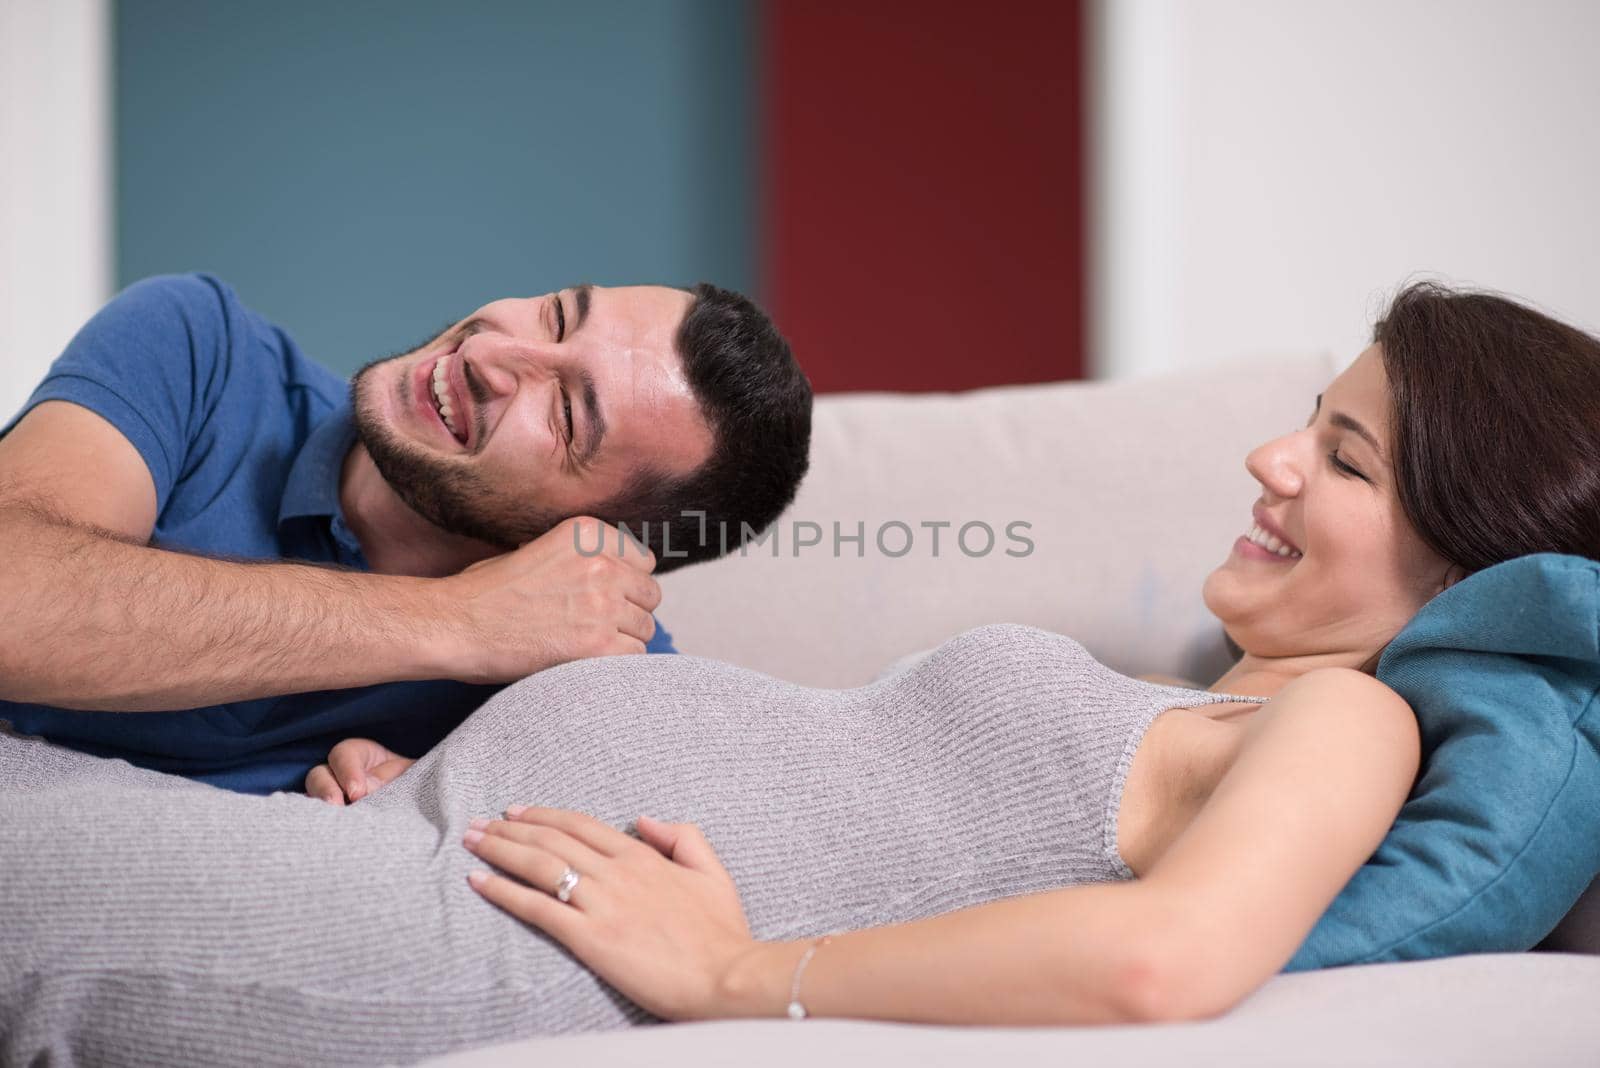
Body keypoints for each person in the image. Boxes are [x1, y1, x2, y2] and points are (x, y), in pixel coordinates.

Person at [3, 281, 1597, 1064]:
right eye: (1302, 418)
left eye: (1341, 455)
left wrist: (741, 975)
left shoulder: (1353, 715)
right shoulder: (1211, 697)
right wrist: (413, 767)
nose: (1268, 460)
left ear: (1461, 554)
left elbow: (1162, 964)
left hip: (461, 937)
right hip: (392, 842)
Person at [0, 274, 812, 794]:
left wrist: (440, 804)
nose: (493, 351)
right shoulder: (198, 348)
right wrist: (460, 623)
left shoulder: (597, 667)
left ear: (598, 544)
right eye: (557, 314)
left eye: (565, 413)